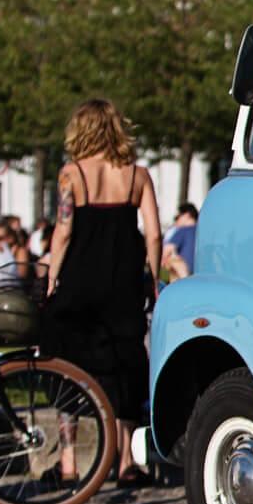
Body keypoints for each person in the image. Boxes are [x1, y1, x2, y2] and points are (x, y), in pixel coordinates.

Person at [43, 99, 161, 438]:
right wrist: (152, 276)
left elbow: (63, 230)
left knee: (66, 359)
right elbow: (153, 232)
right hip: (123, 282)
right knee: (125, 363)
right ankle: (125, 459)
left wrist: (52, 277)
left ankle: (68, 460)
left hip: (80, 280)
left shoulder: (72, 174)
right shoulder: (138, 176)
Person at [163, 203, 198, 281]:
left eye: (177, 217)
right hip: (200, 274)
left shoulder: (183, 231)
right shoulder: (203, 231)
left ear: (187, 215)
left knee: (171, 258)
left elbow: (167, 251)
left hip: (184, 274)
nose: (176, 221)